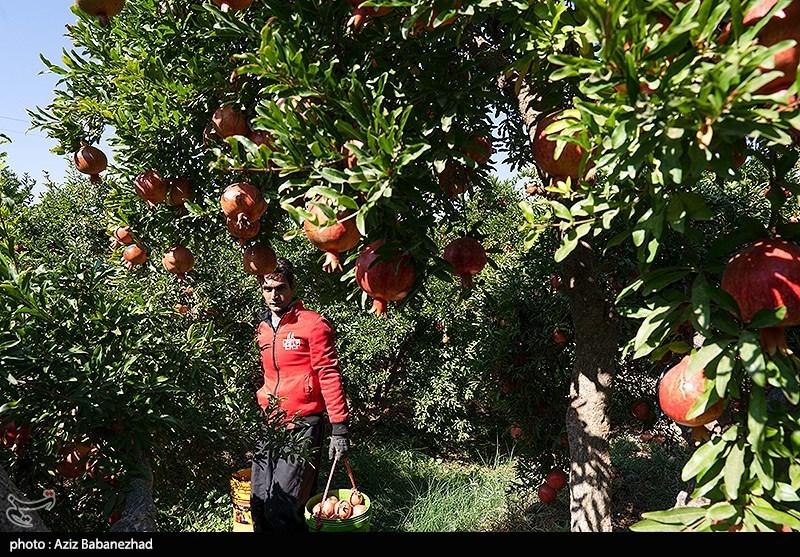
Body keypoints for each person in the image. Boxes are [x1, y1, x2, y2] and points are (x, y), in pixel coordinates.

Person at [249, 257, 351, 532]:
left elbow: (329, 374)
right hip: (269, 423)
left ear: (292, 287)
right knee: (258, 507)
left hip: (303, 424)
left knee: (282, 509)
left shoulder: (313, 325)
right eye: (268, 289)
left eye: (280, 287)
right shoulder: (263, 328)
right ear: (261, 288)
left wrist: (339, 428)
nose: (274, 295)